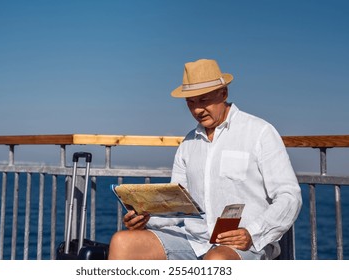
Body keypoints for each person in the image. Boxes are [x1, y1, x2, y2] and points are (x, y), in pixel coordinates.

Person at [108, 58, 302, 260]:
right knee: (123, 242)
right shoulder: (188, 143)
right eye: (190, 103)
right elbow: (176, 207)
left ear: (224, 93)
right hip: (194, 241)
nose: (197, 110)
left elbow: (289, 196)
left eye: (203, 100)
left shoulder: (260, 132)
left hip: (246, 244)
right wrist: (145, 219)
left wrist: (252, 233)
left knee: (216, 260)